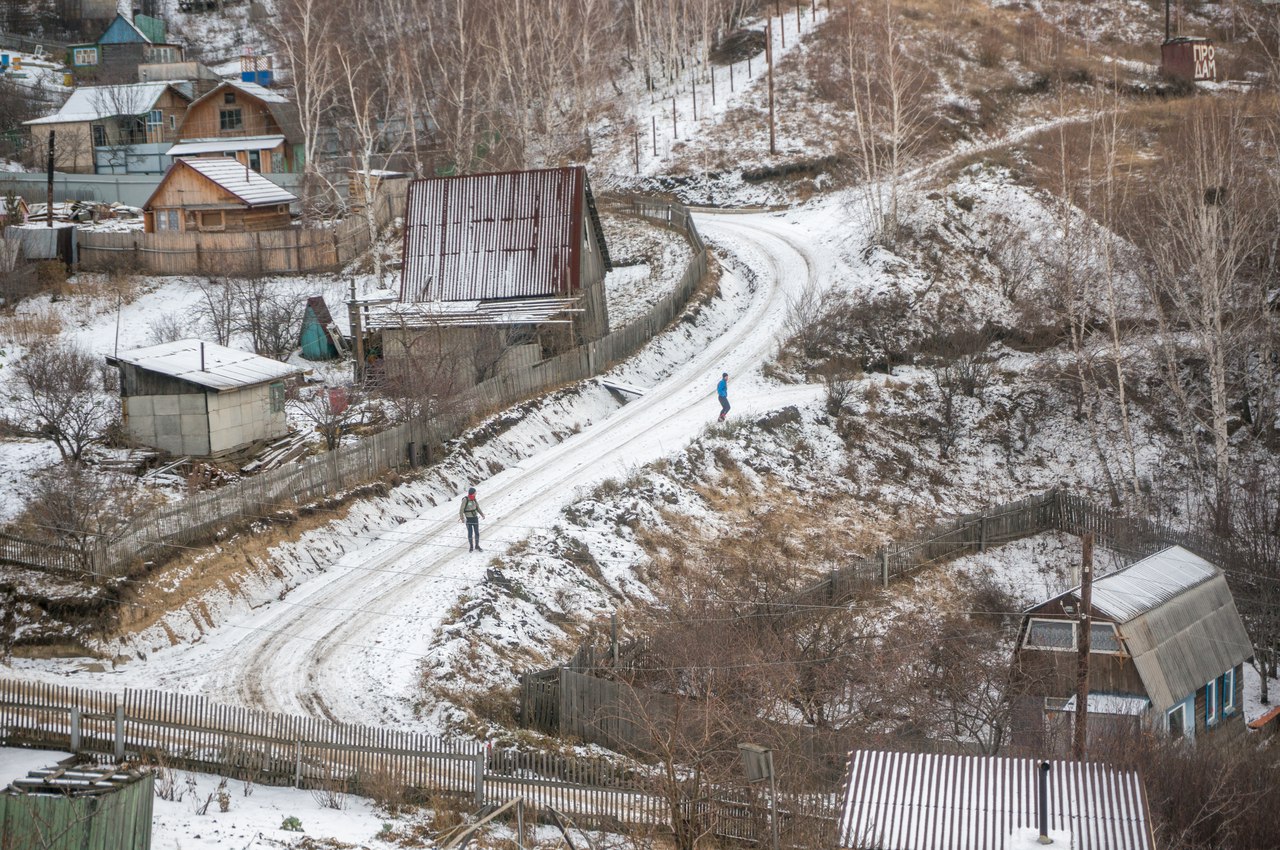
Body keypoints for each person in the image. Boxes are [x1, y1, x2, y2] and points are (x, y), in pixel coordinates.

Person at [459, 486, 486, 551]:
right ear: (472, 493)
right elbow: (461, 510)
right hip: (468, 519)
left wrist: (482, 514)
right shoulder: (465, 499)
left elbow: (477, 508)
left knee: (477, 532)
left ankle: (477, 545)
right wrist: (462, 518)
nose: (476, 493)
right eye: (475, 492)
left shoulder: (474, 499)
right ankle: (471, 546)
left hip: (475, 518)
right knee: (470, 533)